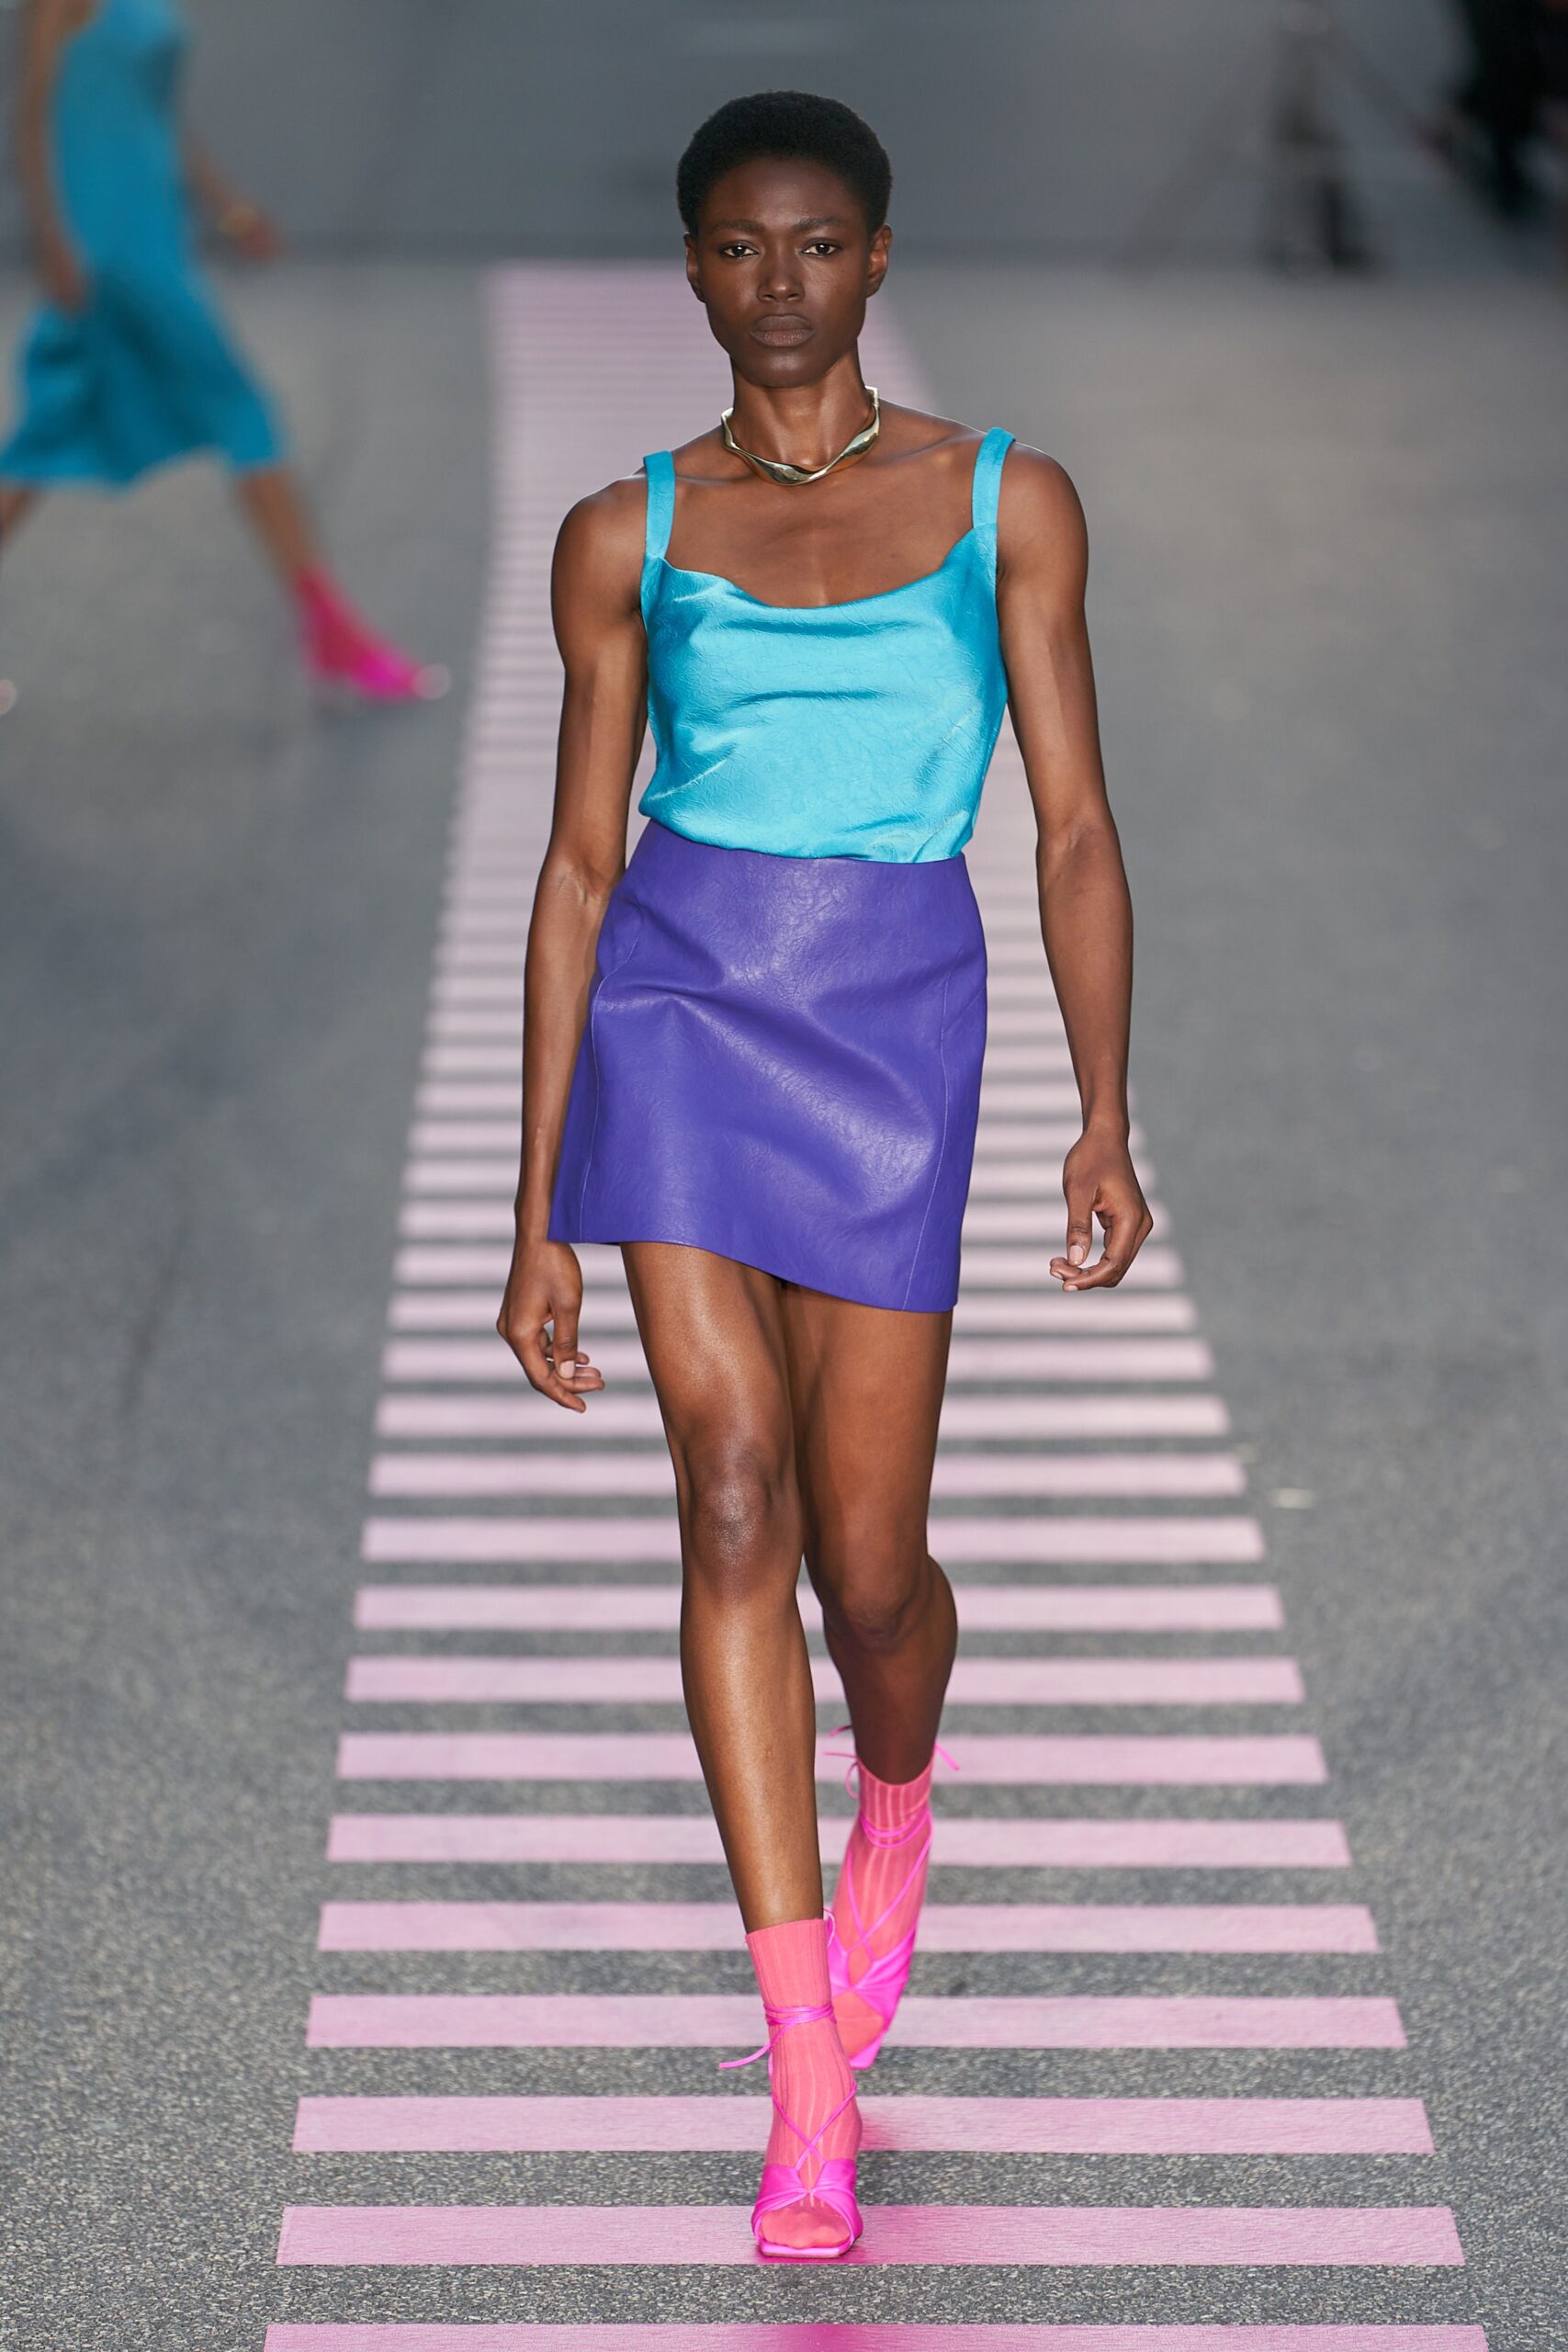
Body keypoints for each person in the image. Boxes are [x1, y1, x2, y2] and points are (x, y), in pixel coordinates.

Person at [497, 89, 1150, 2260]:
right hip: (681, 1007)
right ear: (689, 269)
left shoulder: (1000, 500)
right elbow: (579, 864)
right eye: (735, 247)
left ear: (874, 259)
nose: (775, 283)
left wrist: (1097, 1107)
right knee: (727, 1493)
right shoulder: (623, 530)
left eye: (815, 245)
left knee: (869, 1573)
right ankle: (799, 2073)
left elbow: (1063, 819)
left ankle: (893, 1804)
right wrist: (535, 1215)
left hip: (891, 1014)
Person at [0, 0, 445, 702]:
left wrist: (227, 208)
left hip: (153, 225)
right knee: (241, 411)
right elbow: (33, 111)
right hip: (108, 241)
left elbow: (160, 114)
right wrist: (56, 242)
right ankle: (332, 629)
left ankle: (330, 629)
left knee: (44, 436)